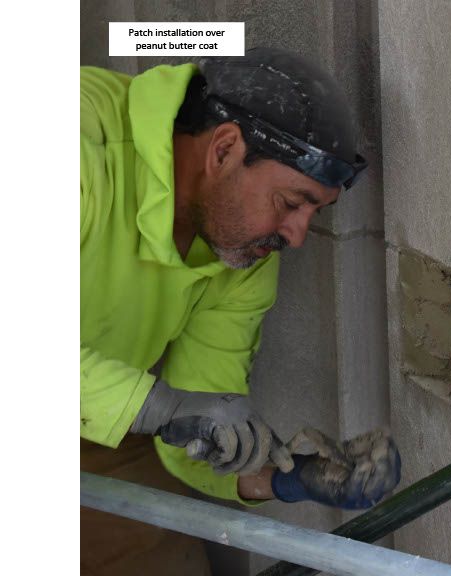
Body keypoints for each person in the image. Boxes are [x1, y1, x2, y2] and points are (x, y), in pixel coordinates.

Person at [80, 47, 400, 575]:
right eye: (291, 202)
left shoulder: (243, 254)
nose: (297, 237)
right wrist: (159, 408)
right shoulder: (74, 150)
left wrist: (280, 475)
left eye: (314, 212)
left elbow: (200, 419)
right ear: (224, 149)